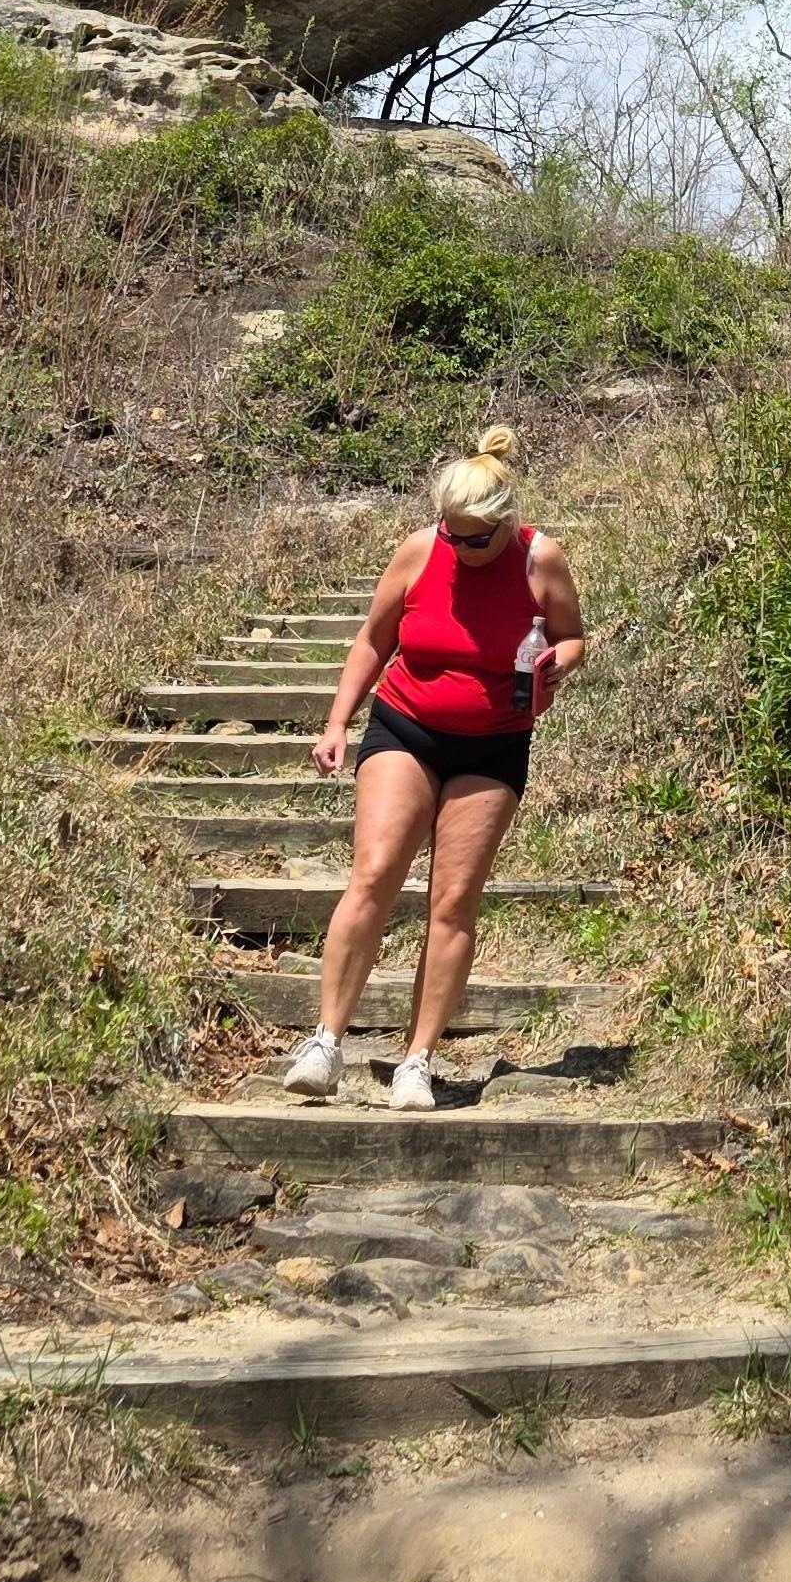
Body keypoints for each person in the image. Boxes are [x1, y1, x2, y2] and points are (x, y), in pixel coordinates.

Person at [278, 422, 588, 1112]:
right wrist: (337, 722)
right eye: (454, 534)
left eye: (477, 537)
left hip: (494, 742)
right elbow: (373, 638)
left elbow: (573, 638)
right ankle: (325, 1041)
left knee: (452, 900)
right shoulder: (422, 551)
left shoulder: (543, 560)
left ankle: (418, 1060)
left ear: (508, 525)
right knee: (376, 869)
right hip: (406, 725)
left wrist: (556, 664)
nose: (463, 546)